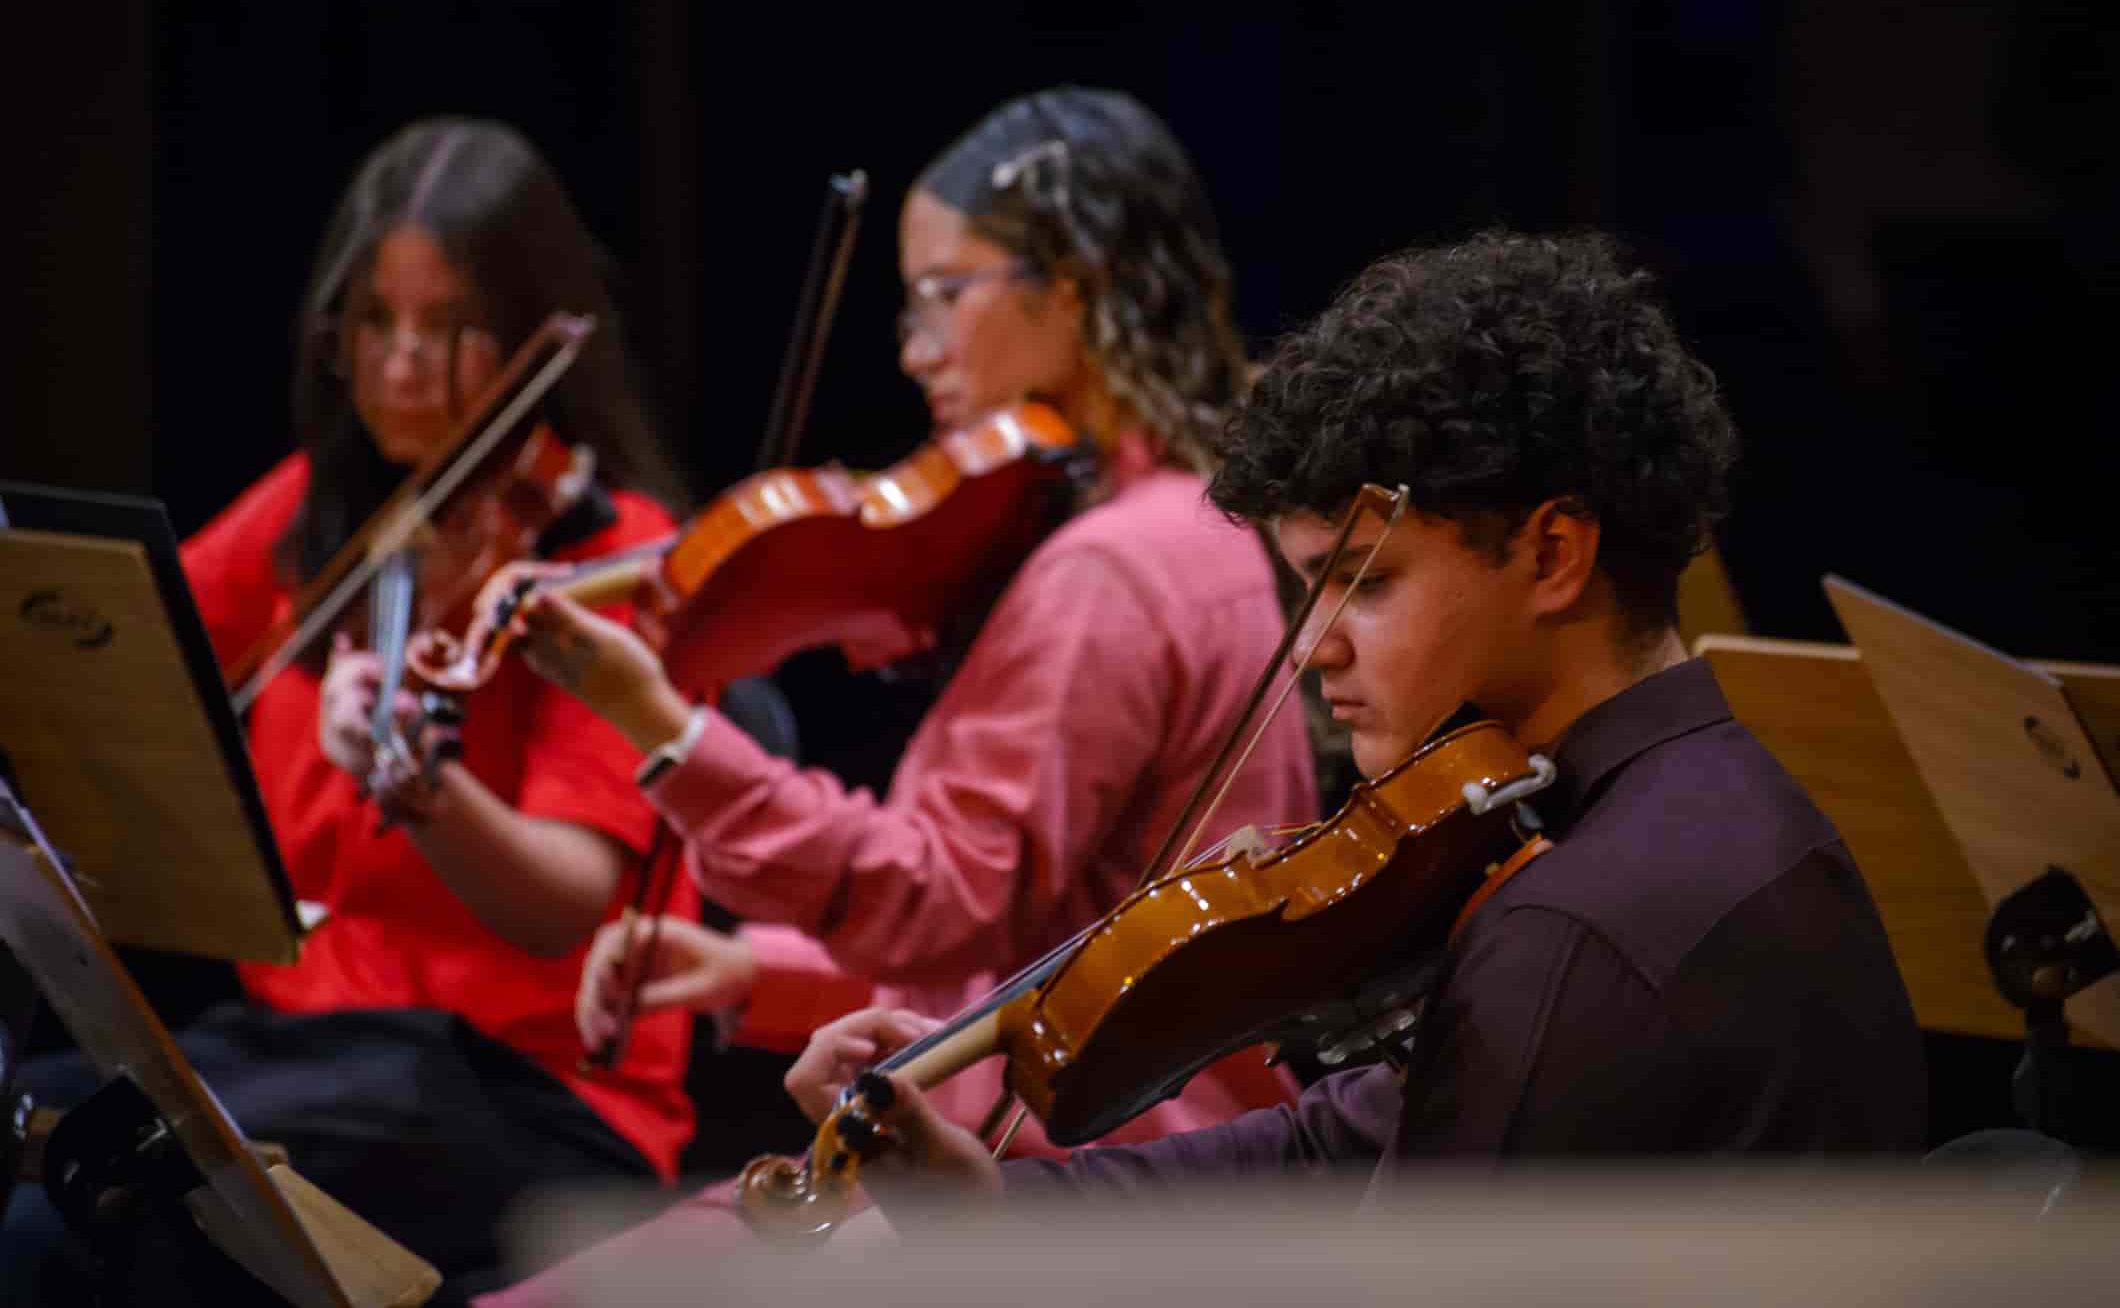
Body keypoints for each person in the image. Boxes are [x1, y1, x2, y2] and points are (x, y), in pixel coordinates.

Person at [759, 228, 1930, 1229]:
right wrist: (997, 1211)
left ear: (1552, 555)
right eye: (1306, 587)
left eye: (1362, 584)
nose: (1313, 644)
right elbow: (1343, 1149)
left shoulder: (1575, 925)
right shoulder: (1699, 804)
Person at [470, 87, 1316, 1306]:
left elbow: (939, 904)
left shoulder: (1105, 570)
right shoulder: (1192, 526)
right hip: (1068, 1154)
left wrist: (662, 727)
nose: (914, 348)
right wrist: (751, 970)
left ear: (1068, 289)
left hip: (1047, 1189)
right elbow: (1045, 942)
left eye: (942, 292)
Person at [4, 117, 699, 1301]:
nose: (401, 368)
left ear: (538, 334)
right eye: (374, 325)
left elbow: (564, 904)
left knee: (93, 1214)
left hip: (532, 1094)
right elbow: (114, 643)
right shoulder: (311, 520)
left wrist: (426, 794)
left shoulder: (610, 559)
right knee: (43, 1131)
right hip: (315, 1047)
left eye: (451, 329)